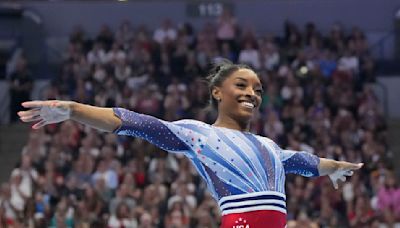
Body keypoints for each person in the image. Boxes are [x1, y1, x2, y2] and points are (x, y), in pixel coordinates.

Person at [18, 60, 363, 228]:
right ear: (217, 92)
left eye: (257, 89)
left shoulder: (268, 145)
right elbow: (133, 122)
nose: (251, 94)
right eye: (241, 85)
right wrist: (73, 110)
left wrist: (333, 168)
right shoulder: (199, 134)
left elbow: (302, 161)